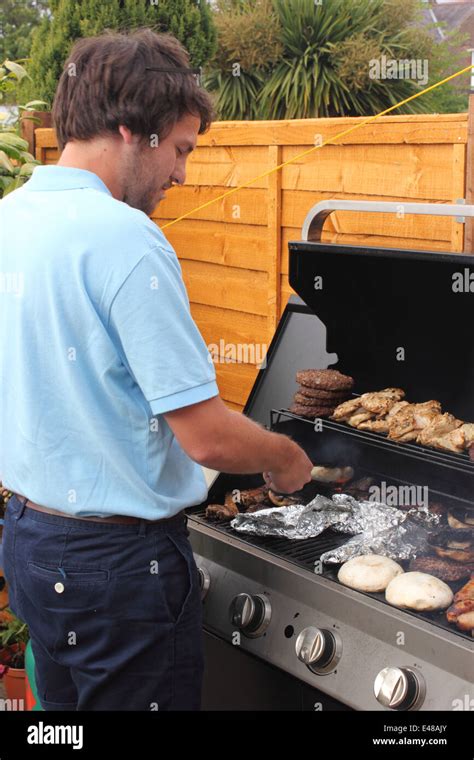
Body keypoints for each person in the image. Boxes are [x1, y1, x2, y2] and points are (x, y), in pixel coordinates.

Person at [0, 28, 312, 711]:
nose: (182, 174)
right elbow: (206, 438)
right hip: (118, 568)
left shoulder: (10, 220)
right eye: (179, 150)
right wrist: (287, 458)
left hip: (30, 541)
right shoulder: (127, 238)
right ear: (131, 131)